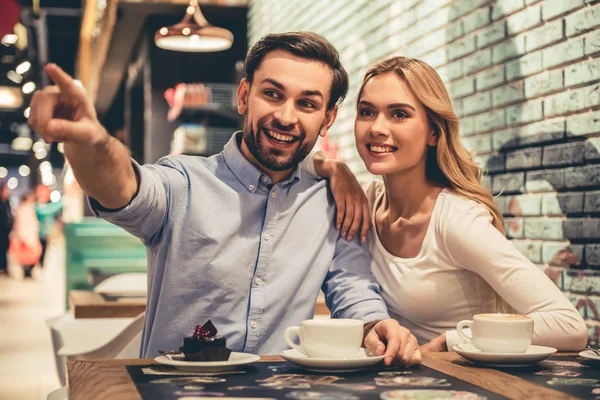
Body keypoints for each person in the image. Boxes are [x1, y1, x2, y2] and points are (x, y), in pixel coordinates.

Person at [27, 32, 422, 365]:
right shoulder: (184, 182)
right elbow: (124, 189)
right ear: (245, 96)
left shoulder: (332, 201)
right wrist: (92, 143)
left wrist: (374, 324)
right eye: (272, 94)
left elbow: (352, 289)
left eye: (307, 103)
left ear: (327, 119)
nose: (286, 117)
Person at [309, 56, 588, 352]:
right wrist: (330, 167)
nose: (377, 127)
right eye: (367, 112)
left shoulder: (456, 221)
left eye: (399, 114)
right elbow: (294, 161)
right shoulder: (364, 202)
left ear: (433, 132)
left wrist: (451, 342)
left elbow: (568, 325)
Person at [11, 191, 42, 277]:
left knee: (30, 258)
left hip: (28, 237)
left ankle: (27, 272)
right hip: (25, 238)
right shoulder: (23, 210)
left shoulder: (28, 209)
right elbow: (21, 225)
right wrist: (26, 239)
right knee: (23, 258)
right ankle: (25, 272)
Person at [34, 184, 63, 268]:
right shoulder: (37, 207)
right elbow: (48, 210)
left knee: (44, 251)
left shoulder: (43, 206)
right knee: (39, 252)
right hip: (38, 234)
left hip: (45, 233)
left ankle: (41, 266)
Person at [0, 182, 12, 275]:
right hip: (1, 231)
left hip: (6, 231)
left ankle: (4, 267)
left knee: (5, 249)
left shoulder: (7, 202)